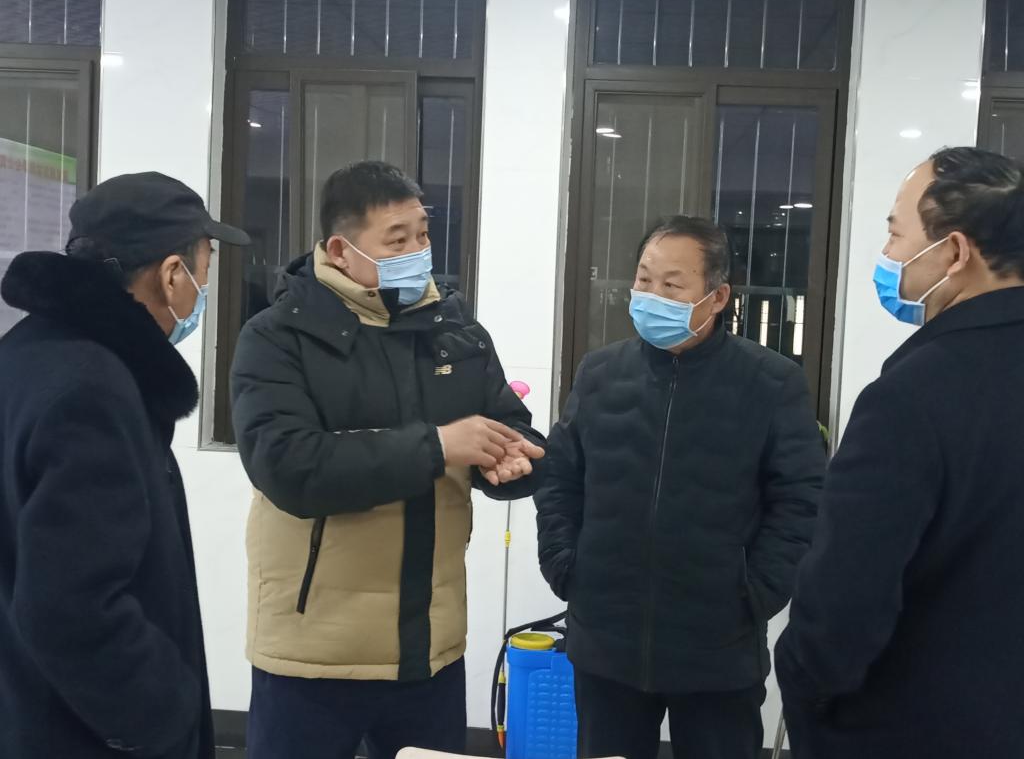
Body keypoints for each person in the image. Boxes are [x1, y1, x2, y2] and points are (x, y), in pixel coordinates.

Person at [231, 160, 547, 759]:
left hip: (428, 647)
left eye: (422, 235)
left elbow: (510, 423)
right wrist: (440, 446)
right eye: (396, 241)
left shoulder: (455, 331)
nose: (417, 252)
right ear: (340, 251)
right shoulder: (277, 337)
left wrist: (512, 461)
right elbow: (288, 468)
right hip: (315, 652)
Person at [535, 216, 825, 759]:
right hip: (607, 643)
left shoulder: (769, 382)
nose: (652, 296)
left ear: (718, 297)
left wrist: (758, 591)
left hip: (718, 648)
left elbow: (801, 499)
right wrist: (564, 563)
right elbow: (560, 476)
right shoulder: (600, 373)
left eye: (672, 285)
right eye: (645, 280)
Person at [776, 147, 1024, 759]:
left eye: (895, 234)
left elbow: (845, 601)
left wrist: (810, 691)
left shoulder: (913, 396)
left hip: (913, 725)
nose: (887, 255)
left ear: (955, 252)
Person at [0, 173, 251, 758]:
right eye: (205, 269)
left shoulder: (27, 354)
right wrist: (164, 712)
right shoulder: (93, 392)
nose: (204, 289)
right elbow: (70, 607)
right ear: (172, 275)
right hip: (80, 734)